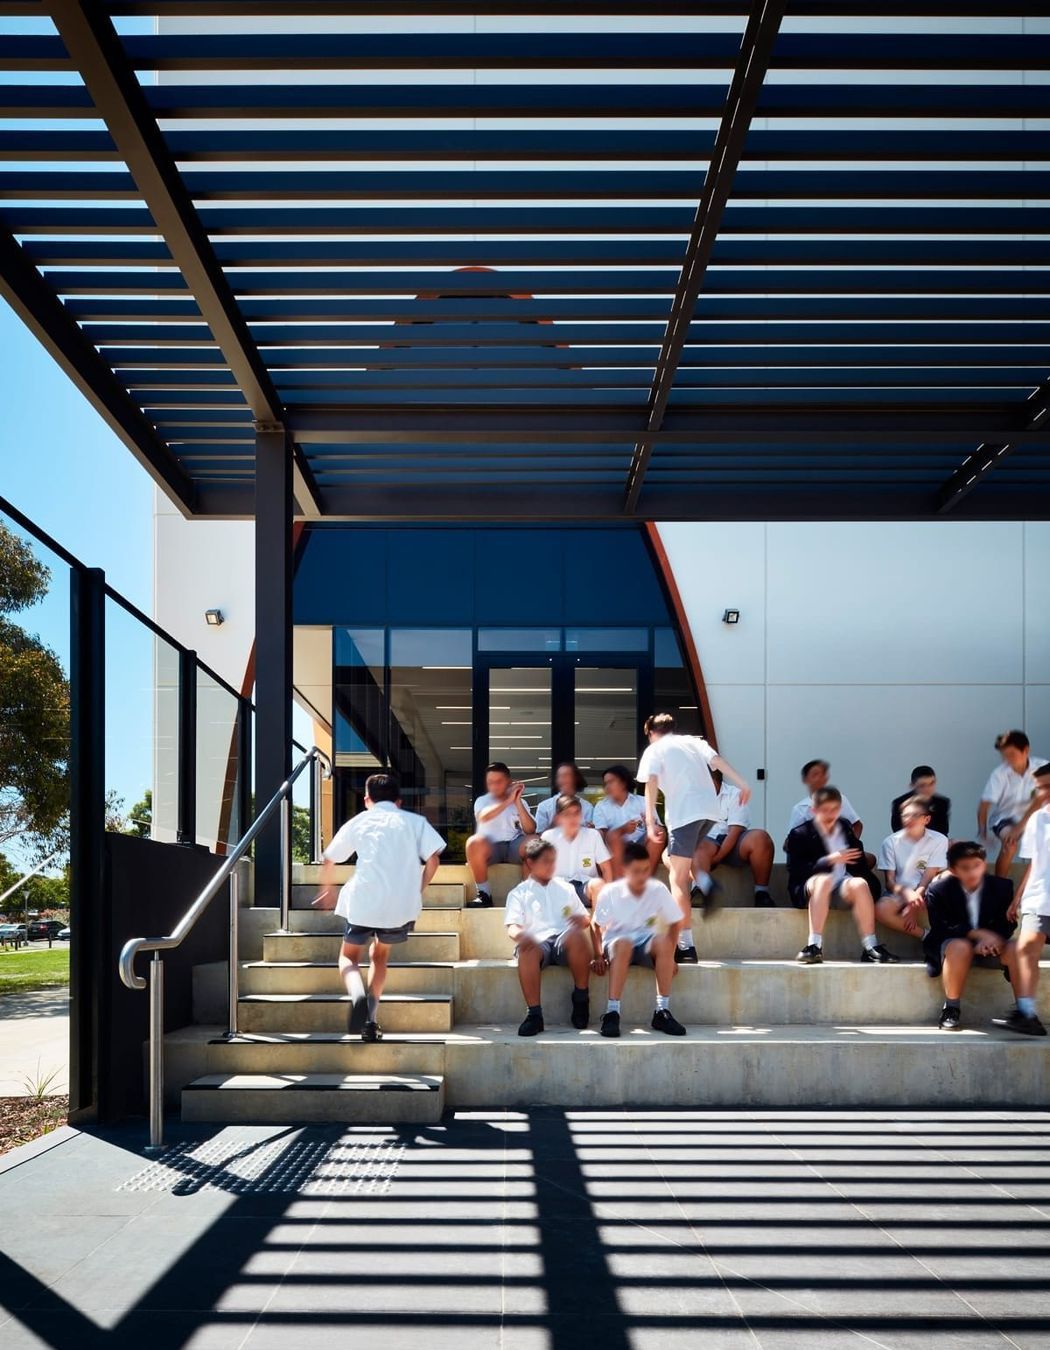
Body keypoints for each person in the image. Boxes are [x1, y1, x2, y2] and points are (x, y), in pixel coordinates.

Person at [313, 772, 445, 1041]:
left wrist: (327, 890)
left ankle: (357, 995)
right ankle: (371, 1020)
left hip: (363, 901)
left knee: (348, 957)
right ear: (399, 801)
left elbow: (330, 858)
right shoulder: (414, 822)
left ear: (366, 799)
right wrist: (418, 889)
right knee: (379, 956)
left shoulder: (359, 821)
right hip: (399, 907)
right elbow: (433, 860)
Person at [636, 712, 752, 965]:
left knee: (677, 881)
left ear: (651, 733)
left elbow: (651, 782)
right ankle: (706, 883)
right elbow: (717, 760)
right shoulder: (693, 741)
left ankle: (686, 947)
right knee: (673, 858)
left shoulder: (655, 749)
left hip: (684, 815)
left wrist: (649, 821)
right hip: (710, 812)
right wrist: (743, 783)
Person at [504, 836, 606, 1037]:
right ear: (531, 863)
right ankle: (534, 1015)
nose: (551, 865)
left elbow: (585, 918)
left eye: (553, 860)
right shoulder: (519, 893)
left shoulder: (565, 887)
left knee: (577, 936)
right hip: (537, 942)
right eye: (545, 861)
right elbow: (512, 926)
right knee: (527, 948)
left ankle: (581, 998)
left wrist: (580, 922)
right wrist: (522, 936)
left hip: (563, 940)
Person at [785, 786, 898, 966]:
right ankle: (814, 946)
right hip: (811, 886)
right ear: (814, 810)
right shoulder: (800, 833)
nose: (831, 815)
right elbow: (796, 870)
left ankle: (870, 947)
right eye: (825, 811)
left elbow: (858, 860)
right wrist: (829, 860)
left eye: (835, 810)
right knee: (823, 880)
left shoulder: (844, 827)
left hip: (840, 885)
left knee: (860, 884)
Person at [592, 841, 686, 1038]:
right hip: (617, 943)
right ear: (625, 870)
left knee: (662, 941)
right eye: (636, 871)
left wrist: (671, 956)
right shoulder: (610, 891)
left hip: (646, 943)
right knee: (623, 943)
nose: (642, 876)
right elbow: (596, 924)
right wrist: (598, 954)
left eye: (645, 870)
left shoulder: (657, 888)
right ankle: (612, 1012)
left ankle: (662, 1011)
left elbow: (675, 922)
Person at [923, 841, 1018, 1031]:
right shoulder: (938, 890)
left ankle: (1024, 1011)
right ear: (953, 870)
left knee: (1018, 948)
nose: (972, 872)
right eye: (965, 868)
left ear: (984, 864)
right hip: (954, 946)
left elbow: (1008, 922)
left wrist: (995, 940)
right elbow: (942, 927)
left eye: (977, 866)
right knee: (961, 947)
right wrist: (977, 936)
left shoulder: (1002, 887)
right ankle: (951, 1008)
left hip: (991, 947)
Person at [995, 762, 1050, 1036]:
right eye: (1039, 788)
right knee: (1025, 950)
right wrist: (1018, 899)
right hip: (1040, 899)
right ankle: (1027, 1013)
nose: (1043, 793)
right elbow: (1034, 864)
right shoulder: (1038, 819)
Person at [695, 769, 776, 907]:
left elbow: (735, 832)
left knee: (761, 838)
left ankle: (761, 893)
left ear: (717, 780)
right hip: (706, 845)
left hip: (733, 843)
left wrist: (716, 858)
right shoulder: (692, 798)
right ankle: (700, 889)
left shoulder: (734, 794)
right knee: (698, 846)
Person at [874, 796, 949, 941]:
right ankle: (926, 936)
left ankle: (952, 934)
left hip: (928, 888)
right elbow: (890, 882)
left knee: (948, 877)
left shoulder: (939, 840)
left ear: (926, 819)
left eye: (915, 815)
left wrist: (914, 903)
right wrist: (908, 894)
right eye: (905, 815)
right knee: (881, 909)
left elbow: (929, 876)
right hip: (901, 891)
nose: (909, 819)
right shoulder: (891, 842)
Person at [978, 730, 1049, 878]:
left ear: (1026, 750)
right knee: (1010, 846)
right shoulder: (1000, 774)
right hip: (1005, 819)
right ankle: (1000, 887)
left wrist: (1021, 826)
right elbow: (984, 805)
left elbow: (1040, 800)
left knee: (1042, 848)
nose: (1008, 760)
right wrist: (983, 832)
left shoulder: (1042, 767)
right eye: (1004, 756)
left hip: (1036, 815)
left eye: (1012, 755)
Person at [466, 761, 536, 908]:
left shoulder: (520, 801)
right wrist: (507, 800)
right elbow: (483, 817)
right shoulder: (482, 800)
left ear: (508, 781)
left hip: (513, 846)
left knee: (536, 842)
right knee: (473, 842)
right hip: (491, 848)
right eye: (490, 782)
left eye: (499, 781)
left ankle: (526, 893)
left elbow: (530, 830)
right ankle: (484, 894)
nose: (494, 786)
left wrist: (517, 802)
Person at [541, 793, 613, 908]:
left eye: (576, 813)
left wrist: (608, 898)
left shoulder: (593, 835)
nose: (572, 818)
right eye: (567, 814)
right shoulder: (548, 837)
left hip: (585, 887)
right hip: (558, 888)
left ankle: (599, 924)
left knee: (598, 884)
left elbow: (606, 869)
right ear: (558, 817)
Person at [593, 764, 665, 876]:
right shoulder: (601, 806)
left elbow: (656, 826)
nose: (607, 786)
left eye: (611, 782)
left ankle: (645, 880)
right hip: (615, 847)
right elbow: (602, 836)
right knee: (613, 836)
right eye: (605, 783)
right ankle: (618, 882)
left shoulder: (643, 801)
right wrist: (623, 829)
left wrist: (650, 823)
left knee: (659, 832)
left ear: (623, 782)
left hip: (641, 844)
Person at [787, 760, 864, 836]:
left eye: (822, 774)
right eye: (815, 774)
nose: (819, 778)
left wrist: (851, 844)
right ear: (805, 779)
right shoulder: (800, 808)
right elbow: (791, 840)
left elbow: (857, 825)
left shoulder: (840, 799)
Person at [534, 763, 594, 834]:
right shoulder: (544, 806)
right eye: (559, 776)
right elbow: (539, 835)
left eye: (566, 775)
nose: (562, 779)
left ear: (575, 778)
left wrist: (590, 830)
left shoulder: (587, 807)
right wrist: (555, 823)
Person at [891, 765, 951, 836]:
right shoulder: (900, 803)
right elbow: (897, 831)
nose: (927, 789)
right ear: (912, 785)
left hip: (934, 842)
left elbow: (943, 830)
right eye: (922, 785)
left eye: (931, 784)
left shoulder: (942, 803)